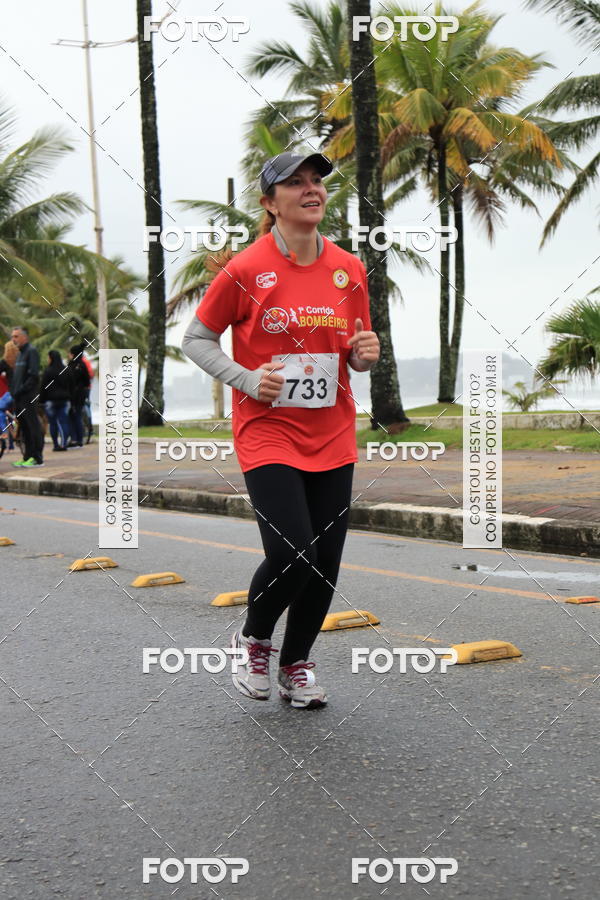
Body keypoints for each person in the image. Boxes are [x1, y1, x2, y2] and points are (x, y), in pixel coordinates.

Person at [182, 150, 380, 709]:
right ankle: (254, 639)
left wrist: (364, 355)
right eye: (294, 183)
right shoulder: (245, 270)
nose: (311, 189)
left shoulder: (348, 268)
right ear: (270, 204)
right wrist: (246, 378)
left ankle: (296, 665)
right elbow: (196, 339)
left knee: (327, 563)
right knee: (295, 552)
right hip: (268, 433)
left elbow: (356, 347)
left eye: (316, 181)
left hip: (333, 433)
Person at [10, 326, 44, 468]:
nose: (13, 339)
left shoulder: (31, 352)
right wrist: (14, 392)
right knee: (24, 428)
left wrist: (22, 390)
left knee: (32, 427)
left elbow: (33, 376)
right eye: (12, 337)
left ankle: (37, 458)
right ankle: (27, 457)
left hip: (28, 397)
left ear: (25, 337)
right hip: (18, 398)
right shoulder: (20, 354)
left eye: (16, 336)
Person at [40, 350, 71, 451]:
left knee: (53, 423)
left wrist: (41, 400)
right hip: (65, 400)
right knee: (64, 422)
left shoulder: (48, 371)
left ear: (51, 358)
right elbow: (71, 385)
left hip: (51, 401)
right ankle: (64, 443)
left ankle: (56, 445)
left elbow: (43, 387)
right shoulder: (66, 369)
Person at [66, 344, 91, 448]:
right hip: (81, 394)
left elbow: (68, 381)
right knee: (77, 416)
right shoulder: (82, 364)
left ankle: (75, 439)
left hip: (74, 395)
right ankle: (78, 440)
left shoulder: (72, 365)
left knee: (74, 416)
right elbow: (87, 381)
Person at [0, 340, 18, 459]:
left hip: (11, 393)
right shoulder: (22, 360)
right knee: (12, 415)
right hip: (23, 393)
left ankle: (3, 432)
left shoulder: (4, 362)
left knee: (0, 409)